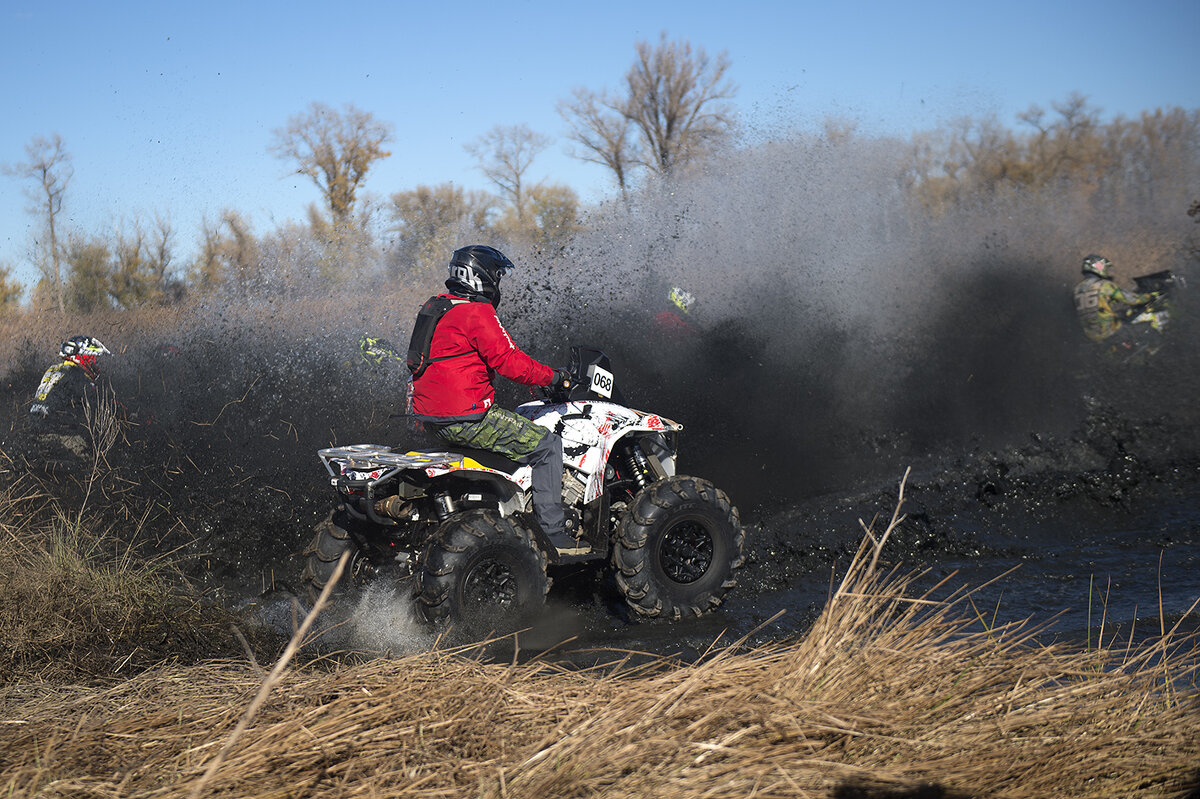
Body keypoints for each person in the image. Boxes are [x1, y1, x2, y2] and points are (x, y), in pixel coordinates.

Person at [407, 245, 573, 542]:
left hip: (428, 419)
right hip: (467, 418)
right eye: (497, 275)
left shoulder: (435, 306)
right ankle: (554, 535)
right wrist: (554, 376)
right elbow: (510, 361)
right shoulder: (477, 311)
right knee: (547, 447)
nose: (498, 282)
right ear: (483, 276)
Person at [28, 335, 111, 458]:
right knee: (95, 457)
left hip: (35, 429)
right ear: (83, 357)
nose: (96, 365)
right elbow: (100, 405)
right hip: (56, 434)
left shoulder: (53, 370)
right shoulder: (77, 376)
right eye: (94, 359)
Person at [1073, 254, 1157, 346]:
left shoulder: (1077, 290)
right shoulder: (1103, 285)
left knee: (1122, 315)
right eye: (1102, 266)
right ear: (1095, 267)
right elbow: (1131, 299)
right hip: (1110, 331)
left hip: (1092, 335)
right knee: (1149, 327)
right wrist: (1150, 297)